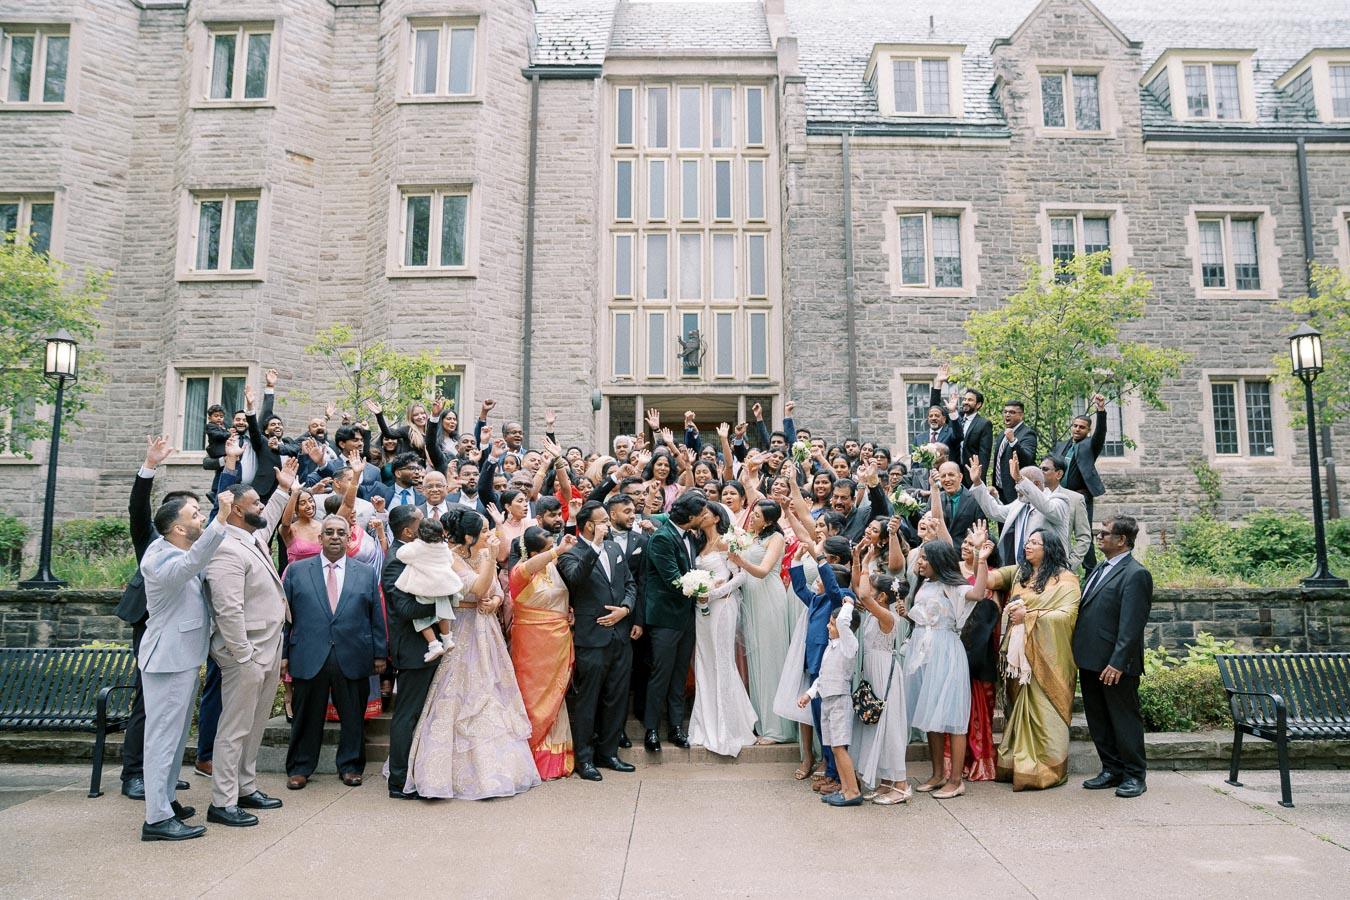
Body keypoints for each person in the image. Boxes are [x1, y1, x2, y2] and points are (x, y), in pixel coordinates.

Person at [402, 508, 540, 800]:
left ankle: (500, 769)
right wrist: (489, 561)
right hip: (462, 629)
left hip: (486, 631)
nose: (491, 535)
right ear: (468, 536)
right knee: (459, 695)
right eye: (486, 531)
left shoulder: (481, 555)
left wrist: (498, 598)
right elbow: (476, 587)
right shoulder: (448, 558)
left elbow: (493, 587)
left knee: (492, 692)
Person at [202, 458, 298, 827]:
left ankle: (245, 786)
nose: (261, 507)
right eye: (255, 504)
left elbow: (270, 517)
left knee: (255, 725)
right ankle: (223, 802)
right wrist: (243, 655)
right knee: (234, 727)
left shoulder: (252, 536)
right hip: (246, 653)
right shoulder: (225, 548)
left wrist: (284, 488)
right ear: (237, 512)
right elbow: (228, 609)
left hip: (268, 646)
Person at [137, 489, 231, 841]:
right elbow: (190, 566)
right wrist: (221, 519)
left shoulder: (177, 548)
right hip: (168, 660)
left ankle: (166, 800)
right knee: (161, 739)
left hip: (183, 657)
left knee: (175, 740)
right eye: (194, 515)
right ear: (177, 529)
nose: (200, 518)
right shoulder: (159, 560)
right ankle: (157, 820)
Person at [113, 435, 196, 802]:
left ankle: (161, 772)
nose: (198, 516)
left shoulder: (193, 544)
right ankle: (134, 774)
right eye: (191, 511)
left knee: (173, 706)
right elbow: (137, 509)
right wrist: (149, 467)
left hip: (183, 628)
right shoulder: (151, 538)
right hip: (150, 622)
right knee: (147, 701)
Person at [282, 515, 387, 790]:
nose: (335, 537)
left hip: (353, 654)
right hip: (308, 654)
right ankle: (300, 768)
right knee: (306, 716)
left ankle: (351, 766)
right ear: (320, 538)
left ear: (349, 537)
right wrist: (282, 654)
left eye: (341, 532)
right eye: (329, 532)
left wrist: (379, 654)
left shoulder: (364, 572)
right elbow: (284, 619)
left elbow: (376, 615)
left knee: (353, 715)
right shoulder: (297, 571)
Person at [987, 529, 1081, 790]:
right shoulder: (1020, 573)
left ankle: (1046, 769)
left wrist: (1028, 615)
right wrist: (979, 557)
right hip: (1019, 659)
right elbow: (989, 580)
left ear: (1048, 548)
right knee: (1018, 709)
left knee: (1044, 710)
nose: (1028, 546)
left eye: (1035, 543)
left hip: (1048, 658)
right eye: (1027, 541)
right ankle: (1019, 766)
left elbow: (1067, 615)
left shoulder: (1066, 579)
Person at [557, 502, 640, 779]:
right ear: (590, 525)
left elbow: (629, 583)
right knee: (588, 700)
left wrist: (625, 609)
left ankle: (609, 753)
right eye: (603, 520)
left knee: (616, 698)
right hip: (591, 638)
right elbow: (576, 579)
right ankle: (585, 760)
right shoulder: (572, 551)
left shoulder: (615, 549)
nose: (608, 524)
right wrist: (594, 545)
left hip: (620, 634)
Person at [1073, 515, 1153, 799]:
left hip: (1115, 664)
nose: (1099, 537)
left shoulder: (1136, 574)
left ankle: (1134, 775)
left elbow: (1132, 625)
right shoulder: (1097, 569)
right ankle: (1111, 769)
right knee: (1099, 720)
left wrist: (1118, 662)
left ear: (1122, 540)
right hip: (1091, 659)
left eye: (1105, 534)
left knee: (1124, 720)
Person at [906, 538, 990, 800]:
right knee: (930, 713)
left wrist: (982, 558)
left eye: (924, 558)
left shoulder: (953, 586)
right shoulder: (925, 584)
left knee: (952, 717)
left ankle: (955, 780)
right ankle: (937, 773)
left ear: (938, 561)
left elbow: (977, 593)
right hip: (924, 651)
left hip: (946, 650)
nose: (919, 563)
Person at [685, 503, 757, 758]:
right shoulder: (696, 544)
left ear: (717, 517)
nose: (701, 516)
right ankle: (705, 724)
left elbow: (740, 577)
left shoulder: (728, 542)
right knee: (704, 661)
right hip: (701, 608)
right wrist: (698, 592)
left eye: (705, 512)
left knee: (722, 660)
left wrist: (713, 593)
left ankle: (728, 728)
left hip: (723, 605)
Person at [508, 526, 578, 781]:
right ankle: (530, 754)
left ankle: (556, 758)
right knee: (533, 697)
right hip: (531, 644)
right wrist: (556, 551)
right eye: (548, 549)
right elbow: (528, 568)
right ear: (535, 552)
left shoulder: (555, 568)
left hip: (558, 640)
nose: (555, 553)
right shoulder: (520, 572)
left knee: (556, 697)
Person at [641, 492, 708, 753]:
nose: (705, 517)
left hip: (686, 617)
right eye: (701, 514)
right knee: (661, 673)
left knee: (680, 673)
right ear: (690, 517)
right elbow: (673, 580)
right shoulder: (662, 538)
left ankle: (676, 727)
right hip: (665, 618)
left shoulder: (690, 535)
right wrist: (706, 588)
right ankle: (652, 729)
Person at [728, 500, 796, 745]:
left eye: (756, 515)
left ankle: (778, 729)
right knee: (756, 661)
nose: (752, 517)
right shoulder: (751, 537)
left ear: (769, 520)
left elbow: (764, 570)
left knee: (771, 660)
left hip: (768, 597)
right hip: (752, 598)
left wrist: (740, 561)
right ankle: (762, 723)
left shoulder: (776, 537)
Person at [380, 505, 436, 799]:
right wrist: (442, 602)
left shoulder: (411, 555)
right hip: (413, 649)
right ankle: (398, 781)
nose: (425, 526)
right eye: (420, 523)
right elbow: (403, 608)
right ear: (407, 531)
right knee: (407, 714)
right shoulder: (395, 562)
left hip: (424, 647)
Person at [798, 601, 863, 807]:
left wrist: (849, 604)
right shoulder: (831, 646)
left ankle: (852, 791)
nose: (829, 626)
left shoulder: (848, 644)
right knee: (834, 748)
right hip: (827, 699)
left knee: (839, 747)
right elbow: (822, 675)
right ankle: (843, 788)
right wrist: (809, 694)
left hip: (839, 701)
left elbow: (844, 621)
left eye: (832, 624)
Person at [969, 455, 1070, 567]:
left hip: (1051, 572)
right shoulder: (1020, 504)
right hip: (1022, 570)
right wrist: (978, 483)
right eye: (1016, 483)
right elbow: (995, 512)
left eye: (1020, 483)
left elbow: (1047, 508)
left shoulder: (1060, 501)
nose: (1017, 488)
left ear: (1036, 484)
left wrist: (1020, 479)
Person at [1053, 394, 1109, 571]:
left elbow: (1101, 433)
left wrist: (1100, 410)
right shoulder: (1061, 445)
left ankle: (1090, 570)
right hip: (1060, 495)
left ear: (1088, 431)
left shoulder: (1089, 445)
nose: (1077, 429)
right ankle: (1059, 567)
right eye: (1075, 426)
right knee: (1058, 532)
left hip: (1081, 496)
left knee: (1083, 534)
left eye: (1082, 427)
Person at [395, 518, 463, 661]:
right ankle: (447, 638)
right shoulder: (443, 547)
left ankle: (434, 645)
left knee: (421, 618)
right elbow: (450, 561)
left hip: (425, 587)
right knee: (442, 613)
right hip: (444, 586)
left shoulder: (417, 547)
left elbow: (400, 554)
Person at [1040, 455, 1092, 571]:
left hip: (1060, 565)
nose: (1041, 472)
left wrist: (1070, 563)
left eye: (1045, 469)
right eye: (1039, 469)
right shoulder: (1033, 497)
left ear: (1059, 474)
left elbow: (1084, 536)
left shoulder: (1075, 499)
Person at [991, 400, 1038, 504]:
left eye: (1012, 412)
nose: (1007, 414)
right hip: (1000, 490)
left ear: (1021, 416)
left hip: (1016, 491)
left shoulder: (1028, 434)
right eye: (1005, 412)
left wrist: (1013, 441)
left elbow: (1027, 459)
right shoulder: (1001, 435)